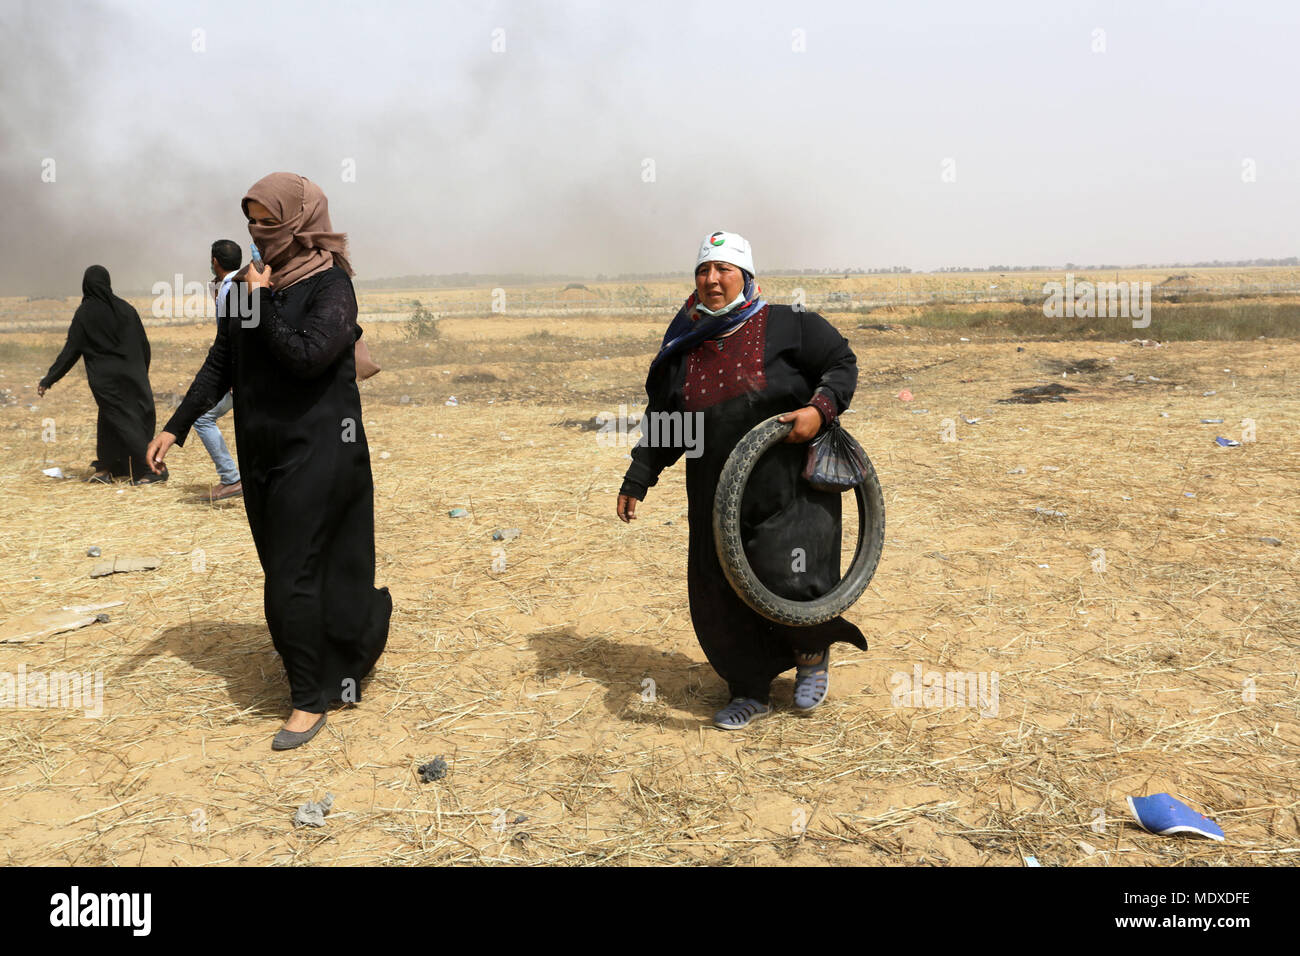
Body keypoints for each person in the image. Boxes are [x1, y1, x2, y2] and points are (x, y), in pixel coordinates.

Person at [146, 172, 391, 750]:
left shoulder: (331, 287)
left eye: (268, 221)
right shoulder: (244, 290)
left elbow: (305, 356)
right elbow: (222, 362)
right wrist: (176, 426)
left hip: (321, 450)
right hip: (264, 454)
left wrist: (259, 301)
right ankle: (341, 651)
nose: (257, 233)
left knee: (292, 576)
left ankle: (308, 698)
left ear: (300, 223)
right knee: (293, 568)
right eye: (251, 221)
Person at [617, 231, 866, 730]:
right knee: (721, 590)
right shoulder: (685, 344)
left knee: (792, 575)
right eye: (703, 271)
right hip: (713, 491)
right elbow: (668, 420)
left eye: (723, 270)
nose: (711, 279)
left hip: (789, 487)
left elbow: (841, 364)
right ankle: (748, 688)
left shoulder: (789, 326)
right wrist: (638, 478)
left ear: (745, 276)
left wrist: (820, 409)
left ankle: (811, 657)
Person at [38, 265, 166, 485]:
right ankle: (108, 467)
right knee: (110, 419)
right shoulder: (126, 309)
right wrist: (140, 371)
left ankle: (152, 469)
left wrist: (49, 379)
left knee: (124, 422)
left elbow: (70, 352)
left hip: (108, 382)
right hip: (133, 375)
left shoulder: (85, 313)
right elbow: (144, 345)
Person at [192, 239, 243, 502]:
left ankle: (231, 478)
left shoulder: (228, 289)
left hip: (240, 372)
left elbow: (233, 336)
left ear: (215, 262)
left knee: (202, 418)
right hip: (254, 370)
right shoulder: (244, 282)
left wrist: (233, 375)